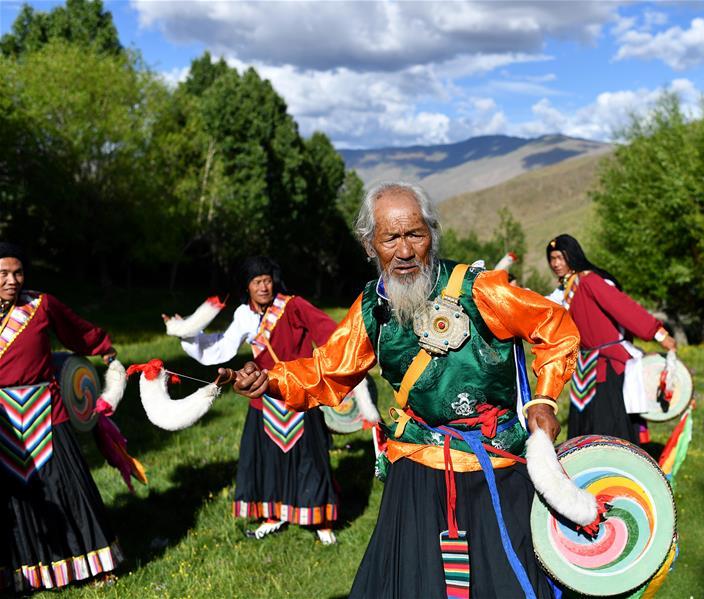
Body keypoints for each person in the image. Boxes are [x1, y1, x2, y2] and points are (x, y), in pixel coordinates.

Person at [230, 182, 580, 598]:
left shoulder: (479, 289)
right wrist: (270, 379)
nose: (405, 251)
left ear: (432, 233)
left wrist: (542, 399)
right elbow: (328, 370)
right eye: (390, 238)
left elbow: (554, 325)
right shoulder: (371, 308)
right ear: (369, 245)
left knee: (504, 581)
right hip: (416, 467)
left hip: (497, 466)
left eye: (415, 234)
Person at [169, 257, 366, 543]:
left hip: (299, 392)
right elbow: (221, 349)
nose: (264, 286)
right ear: (247, 287)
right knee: (267, 462)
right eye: (256, 281)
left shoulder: (293, 305)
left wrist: (339, 363)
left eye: (267, 280)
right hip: (264, 397)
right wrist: (186, 333)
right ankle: (273, 515)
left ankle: (321, 520)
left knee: (310, 459)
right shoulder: (243, 315)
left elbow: (328, 332)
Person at [0, 242, 121, 592]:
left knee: (67, 486)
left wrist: (103, 349)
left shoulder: (40, 305)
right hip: (3, 420)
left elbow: (77, 330)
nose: (12, 280)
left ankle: (96, 564)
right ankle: (28, 572)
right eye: (4, 274)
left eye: (17, 272)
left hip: (46, 410)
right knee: (17, 496)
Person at [546, 234, 677, 442]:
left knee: (608, 424)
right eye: (552, 259)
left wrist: (658, 333)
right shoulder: (565, 290)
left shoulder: (590, 281)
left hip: (609, 365)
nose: (555, 264)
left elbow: (624, 308)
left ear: (572, 256)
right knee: (589, 423)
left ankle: (618, 469)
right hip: (586, 364)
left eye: (560, 257)